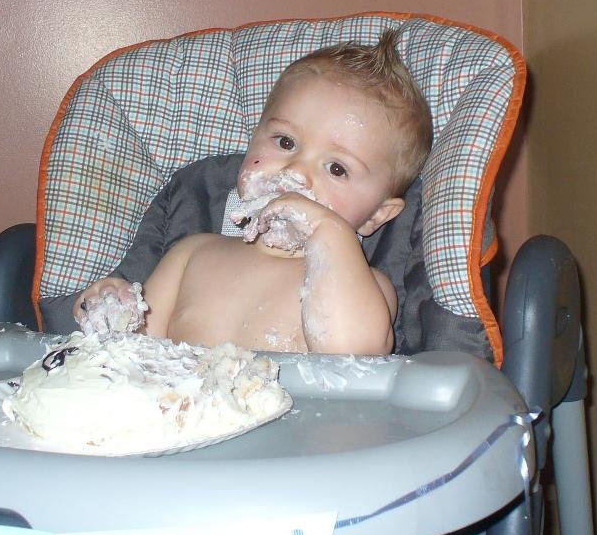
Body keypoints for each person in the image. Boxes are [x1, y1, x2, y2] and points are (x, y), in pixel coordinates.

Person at [73, 29, 432, 355]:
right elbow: (135, 353)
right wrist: (114, 311)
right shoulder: (191, 255)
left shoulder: (368, 288)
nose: (296, 171)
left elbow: (349, 359)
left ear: (375, 215)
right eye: (285, 142)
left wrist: (328, 231)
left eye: (337, 168)